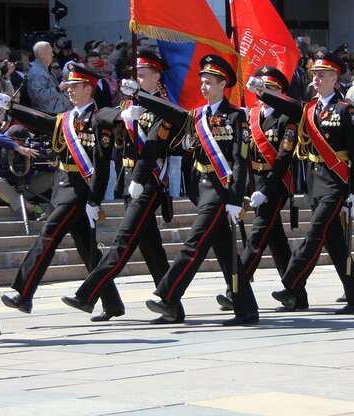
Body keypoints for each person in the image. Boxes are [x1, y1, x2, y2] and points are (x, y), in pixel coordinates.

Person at [126, 54, 259, 326]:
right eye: (202, 82)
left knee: (194, 242)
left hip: (221, 191)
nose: (203, 87)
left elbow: (241, 160)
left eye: (209, 82)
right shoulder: (197, 115)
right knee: (224, 251)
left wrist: (235, 199)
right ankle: (247, 310)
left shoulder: (236, 117)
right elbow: (173, 114)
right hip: (203, 189)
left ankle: (168, 295)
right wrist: (139, 95)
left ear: (224, 84)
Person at [62, 50, 180, 323]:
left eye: (143, 74)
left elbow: (152, 147)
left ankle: (88, 293)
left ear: (157, 76)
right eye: (134, 73)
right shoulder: (128, 107)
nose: (137, 78)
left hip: (148, 183)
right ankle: (172, 305)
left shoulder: (163, 107)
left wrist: (138, 178)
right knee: (151, 248)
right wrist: (124, 115)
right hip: (129, 182)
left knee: (122, 242)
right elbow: (103, 122)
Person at [0, 62, 124, 320]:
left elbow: (101, 164)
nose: (69, 90)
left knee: (48, 235)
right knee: (88, 249)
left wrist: (95, 199)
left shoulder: (97, 118)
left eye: (75, 86)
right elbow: (44, 122)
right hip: (64, 189)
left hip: (79, 193)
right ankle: (112, 304)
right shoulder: (68, 118)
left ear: (89, 90)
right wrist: (11, 108)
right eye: (68, 85)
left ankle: (23, 293)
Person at [259, 49, 354, 315]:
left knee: (314, 234)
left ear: (334, 78)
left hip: (336, 181)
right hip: (315, 181)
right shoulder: (310, 108)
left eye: (322, 75)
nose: (316, 79)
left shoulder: (345, 110)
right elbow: (288, 106)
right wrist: (261, 92)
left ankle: (290, 286)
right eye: (314, 75)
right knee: (335, 244)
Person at [215, 66, 307, 312]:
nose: (264, 92)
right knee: (275, 240)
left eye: (270, 88)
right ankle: (297, 295)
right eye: (262, 87)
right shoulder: (251, 115)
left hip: (276, 184)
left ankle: (235, 290)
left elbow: (283, 157)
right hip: (254, 183)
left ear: (281, 92)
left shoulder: (287, 118)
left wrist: (265, 190)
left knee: (256, 238)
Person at [26, 41, 68, 115]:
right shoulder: (38, 72)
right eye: (50, 52)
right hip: (46, 114)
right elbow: (37, 97)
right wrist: (58, 88)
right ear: (41, 54)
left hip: (52, 112)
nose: (52, 54)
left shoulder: (44, 69)